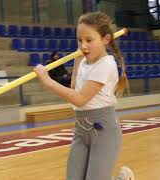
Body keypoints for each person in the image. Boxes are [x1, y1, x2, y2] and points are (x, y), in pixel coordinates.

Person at [34, 12, 134, 180]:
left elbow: (79, 99)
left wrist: (47, 81)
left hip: (103, 130)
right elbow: (74, 88)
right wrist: (78, 61)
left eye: (89, 40)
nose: (83, 45)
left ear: (105, 39)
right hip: (81, 128)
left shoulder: (106, 64)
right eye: (80, 40)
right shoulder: (86, 62)